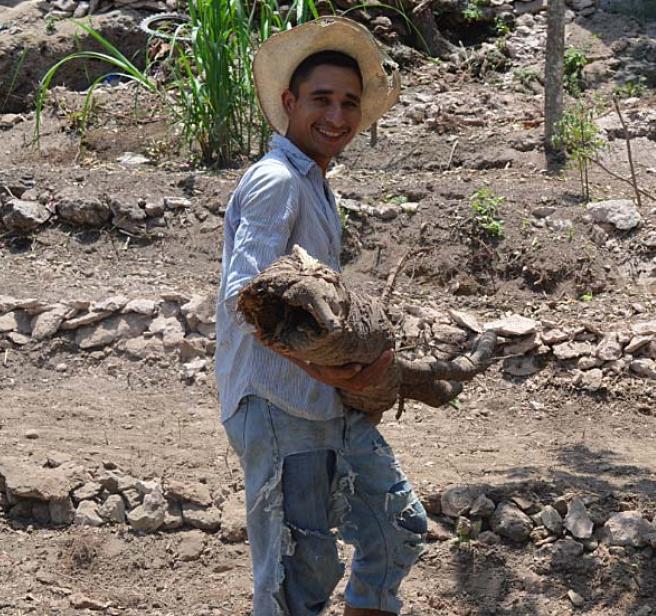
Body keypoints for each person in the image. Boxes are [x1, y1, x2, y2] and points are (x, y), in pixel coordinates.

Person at [214, 16, 419, 616]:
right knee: (297, 573)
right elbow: (243, 295)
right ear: (288, 102)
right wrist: (334, 369)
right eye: (321, 100)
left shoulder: (316, 185)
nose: (336, 116)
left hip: (321, 399)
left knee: (395, 523)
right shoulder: (277, 181)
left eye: (349, 103)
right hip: (280, 403)